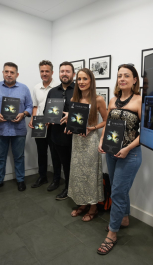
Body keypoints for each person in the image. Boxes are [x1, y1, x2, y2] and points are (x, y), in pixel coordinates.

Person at [97, 64, 143, 255]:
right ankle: (124, 218)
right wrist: (101, 140)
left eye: (126, 75)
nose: (122, 78)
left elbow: (147, 133)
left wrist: (127, 149)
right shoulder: (113, 100)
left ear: (134, 80)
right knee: (119, 188)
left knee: (117, 192)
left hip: (130, 154)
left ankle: (112, 235)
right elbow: (108, 124)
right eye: (119, 76)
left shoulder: (141, 101)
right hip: (111, 152)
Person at [64, 68, 107, 221]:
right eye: (79, 79)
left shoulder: (99, 99)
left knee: (90, 174)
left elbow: (106, 121)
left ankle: (93, 207)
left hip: (91, 141)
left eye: (85, 79)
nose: (81, 82)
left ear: (91, 81)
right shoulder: (74, 100)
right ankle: (82, 204)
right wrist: (70, 127)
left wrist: (92, 128)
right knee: (78, 174)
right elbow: (75, 121)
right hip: (77, 141)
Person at [0, 62, 33, 193]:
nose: (9, 74)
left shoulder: (24, 88)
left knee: (19, 157)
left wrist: (23, 114)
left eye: (12, 72)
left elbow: (30, 106)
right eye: (6, 71)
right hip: (0, 129)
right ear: (3, 72)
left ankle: (20, 180)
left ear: (17, 74)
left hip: (18, 129)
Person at [43, 61, 75, 200]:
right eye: (62, 71)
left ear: (73, 74)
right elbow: (46, 111)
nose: (65, 74)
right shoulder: (52, 91)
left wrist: (71, 116)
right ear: (58, 73)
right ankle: (59, 182)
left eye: (68, 71)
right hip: (56, 134)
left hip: (73, 135)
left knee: (70, 165)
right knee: (59, 161)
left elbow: (85, 112)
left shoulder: (79, 90)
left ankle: (69, 189)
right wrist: (48, 118)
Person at [28, 60, 59, 188]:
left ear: (52, 72)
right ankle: (42, 177)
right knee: (41, 152)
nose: (44, 73)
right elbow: (35, 106)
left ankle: (56, 179)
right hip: (40, 124)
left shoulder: (58, 86)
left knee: (55, 153)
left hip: (54, 126)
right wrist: (32, 119)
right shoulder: (36, 87)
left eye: (47, 71)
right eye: (42, 71)